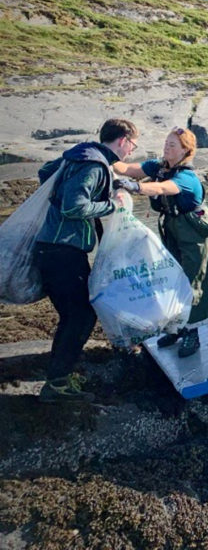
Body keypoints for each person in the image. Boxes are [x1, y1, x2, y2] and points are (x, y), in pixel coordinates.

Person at [34, 118, 139, 403]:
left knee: (73, 315)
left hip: (51, 247)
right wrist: (111, 204)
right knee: (81, 316)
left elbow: (45, 171)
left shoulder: (80, 154)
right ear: (123, 140)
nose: (132, 151)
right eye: (133, 145)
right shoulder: (94, 164)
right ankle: (55, 386)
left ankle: (58, 379)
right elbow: (74, 206)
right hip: (63, 250)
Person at [113, 127, 208, 358]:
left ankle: (192, 332)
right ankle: (176, 327)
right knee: (173, 278)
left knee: (195, 282)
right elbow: (128, 168)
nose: (166, 147)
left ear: (185, 151)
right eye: (166, 143)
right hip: (172, 227)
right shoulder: (159, 166)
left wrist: (135, 187)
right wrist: (106, 157)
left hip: (195, 231)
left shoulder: (187, 177)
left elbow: (162, 188)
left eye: (173, 145)